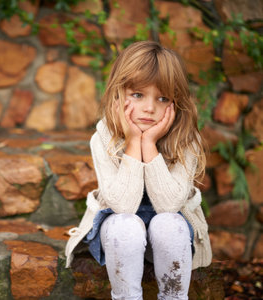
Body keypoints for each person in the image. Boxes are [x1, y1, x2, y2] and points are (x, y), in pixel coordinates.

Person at [65, 41, 212, 300]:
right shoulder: (104, 137)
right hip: (120, 231)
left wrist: (149, 144)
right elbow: (122, 206)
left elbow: (169, 205)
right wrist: (134, 142)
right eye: (137, 95)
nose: (149, 108)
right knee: (126, 226)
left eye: (163, 98)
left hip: (170, 234)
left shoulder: (186, 140)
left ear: (176, 102)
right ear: (118, 93)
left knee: (169, 223)